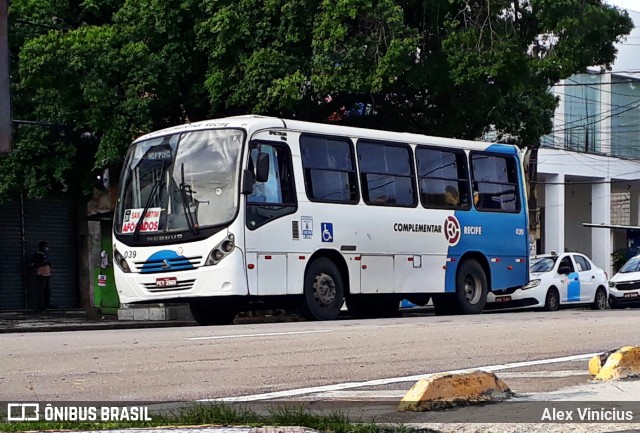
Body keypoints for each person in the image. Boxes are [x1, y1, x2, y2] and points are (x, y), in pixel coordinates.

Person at [31, 240, 55, 310]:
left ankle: (47, 304)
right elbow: (32, 265)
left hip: (47, 274)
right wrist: (42, 263)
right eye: (45, 247)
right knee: (40, 290)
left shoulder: (46, 255)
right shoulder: (36, 255)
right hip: (41, 275)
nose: (47, 248)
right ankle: (40, 305)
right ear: (41, 247)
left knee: (47, 291)